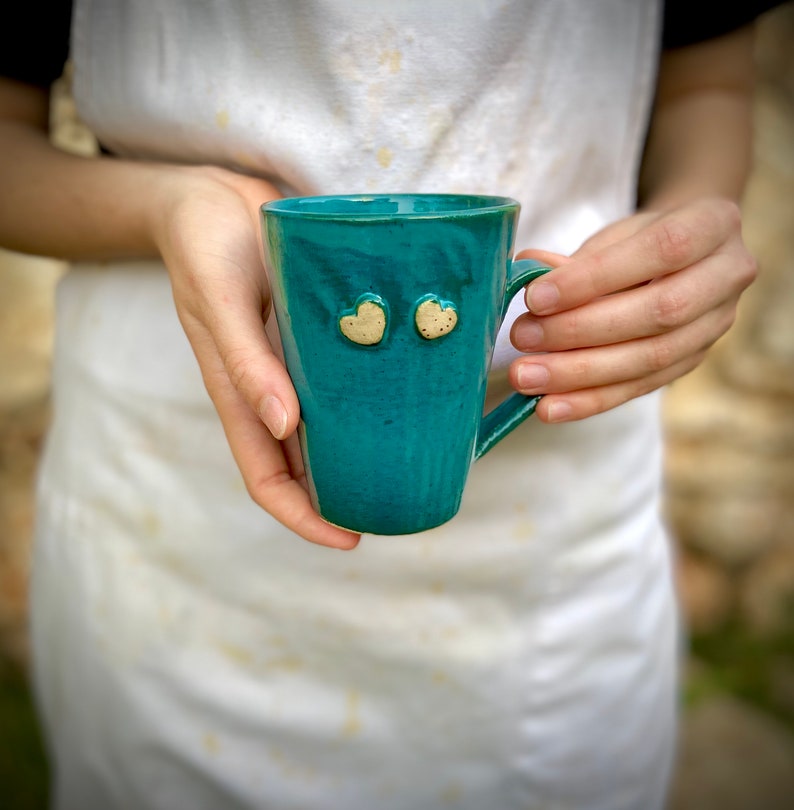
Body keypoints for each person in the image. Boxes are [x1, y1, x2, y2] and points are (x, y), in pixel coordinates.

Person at [0, 1, 783, 808]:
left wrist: (679, 244)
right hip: (172, 514)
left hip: (547, 560)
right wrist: (169, 204)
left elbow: (707, 89)